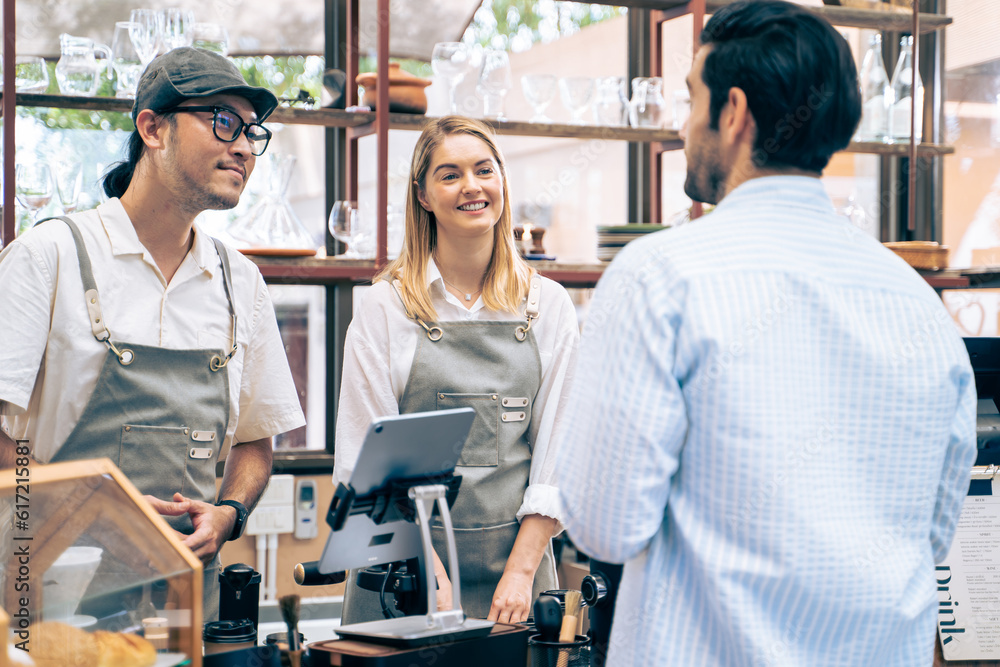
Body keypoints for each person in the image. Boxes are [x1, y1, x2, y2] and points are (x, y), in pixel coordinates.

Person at [556, 2, 977, 665]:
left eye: (692, 98)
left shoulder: (659, 278)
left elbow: (604, 523)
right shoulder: (918, 304)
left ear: (734, 114)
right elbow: (931, 531)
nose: (682, 124)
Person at [0, 47, 306, 619]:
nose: (243, 146)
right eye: (223, 122)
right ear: (152, 128)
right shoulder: (48, 258)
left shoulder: (241, 282)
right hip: (50, 605)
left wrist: (229, 514)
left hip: (186, 609)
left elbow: (255, 440)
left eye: (252, 132)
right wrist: (91, 512)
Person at [334, 115, 579, 623]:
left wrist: (520, 573)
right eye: (449, 175)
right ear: (423, 195)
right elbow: (366, 467)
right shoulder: (384, 308)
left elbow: (561, 454)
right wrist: (431, 576)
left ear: (502, 182)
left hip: (518, 575)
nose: (472, 187)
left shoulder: (548, 307)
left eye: (484, 170)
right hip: (399, 574)